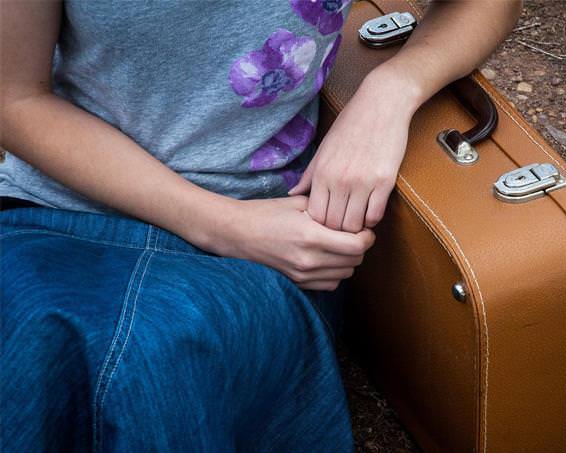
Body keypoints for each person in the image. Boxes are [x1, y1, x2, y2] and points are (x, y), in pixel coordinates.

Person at [0, 0, 521, 451]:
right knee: (40, 353)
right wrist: (219, 224)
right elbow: (14, 98)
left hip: (269, 233)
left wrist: (390, 91)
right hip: (58, 214)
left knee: (159, 364)